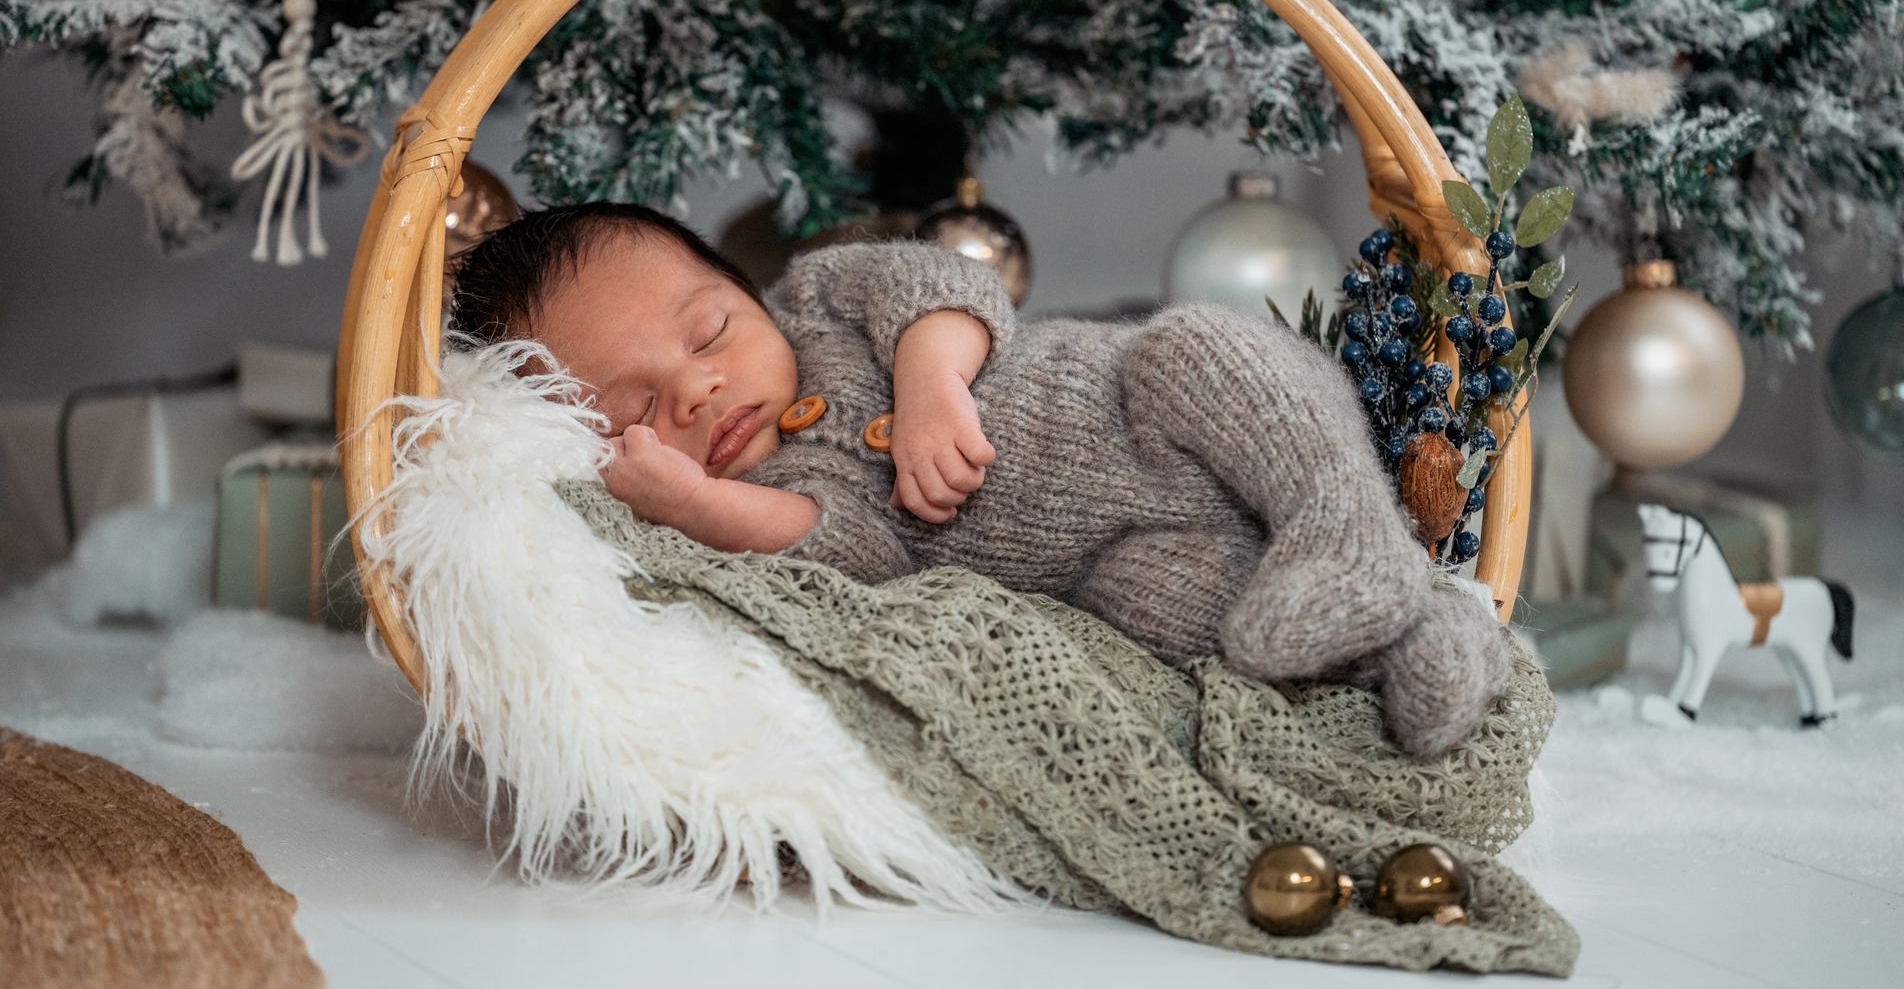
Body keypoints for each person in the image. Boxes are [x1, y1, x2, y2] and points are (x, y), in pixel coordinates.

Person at [450, 201, 1510, 757]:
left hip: (1145, 408)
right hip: (1117, 556)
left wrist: (930, 381)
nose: (694, 391)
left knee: (1201, 352)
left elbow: (940, 278)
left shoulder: (819, 301)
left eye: (708, 332)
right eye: (634, 412)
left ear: (749, 290)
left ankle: (1343, 523)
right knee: (1177, 614)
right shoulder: (778, 495)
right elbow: (845, 552)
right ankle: (1410, 637)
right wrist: (692, 505)